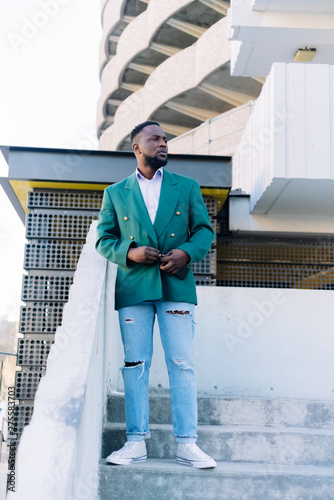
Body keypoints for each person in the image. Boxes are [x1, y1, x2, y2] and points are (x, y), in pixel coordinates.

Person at [95, 121, 216, 469]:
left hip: (176, 285)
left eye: (165, 139)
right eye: (155, 139)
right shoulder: (115, 192)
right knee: (135, 366)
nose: (163, 144)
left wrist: (187, 253)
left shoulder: (187, 186)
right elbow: (104, 239)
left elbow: (204, 230)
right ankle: (135, 442)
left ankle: (187, 443)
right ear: (137, 147)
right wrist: (129, 252)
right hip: (134, 286)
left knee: (182, 364)